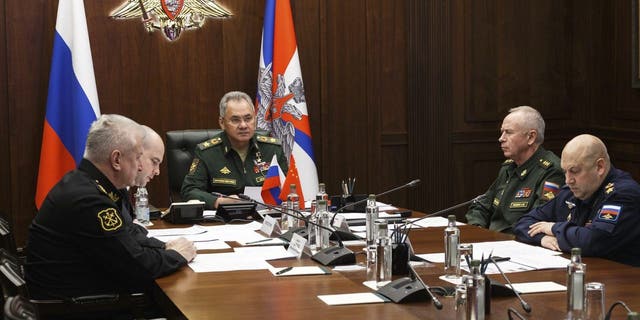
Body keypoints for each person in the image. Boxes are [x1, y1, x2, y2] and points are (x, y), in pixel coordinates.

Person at [26, 114, 197, 305]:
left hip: (86, 296)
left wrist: (164, 248)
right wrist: (176, 255)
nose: (141, 165)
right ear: (116, 159)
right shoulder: (90, 200)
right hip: (75, 308)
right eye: (139, 156)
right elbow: (136, 266)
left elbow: (128, 235)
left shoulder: (93, 185)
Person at [514, 134, 640, 266]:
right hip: (580, 271)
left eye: (574, 171)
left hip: (622, 280)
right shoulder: (571, 191)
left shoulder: (623, 194)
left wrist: (553, 228)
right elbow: (523, 223)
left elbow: (593, 241)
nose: (568, 180)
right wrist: (542, 238)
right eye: (565, 172)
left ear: (600, 167)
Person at [181, 91, 288, 209]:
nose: (243, 125)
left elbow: (288, 188)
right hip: (224, 221)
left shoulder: (272, 149)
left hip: (263, 219)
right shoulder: (207, 152)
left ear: (255, 119)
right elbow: (189, 191)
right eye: (235, 120)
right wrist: (218, 201)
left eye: (248, 118)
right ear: (222, 123)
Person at [465, 106, 565, 233]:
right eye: (502, 132)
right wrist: (478, 229)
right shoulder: (509, 167)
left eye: (509, 132)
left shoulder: (551, 171)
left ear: (531, 137)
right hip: (492, 241)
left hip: (519, 244)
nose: (501, 138)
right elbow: (481, 206)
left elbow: (537, 221)